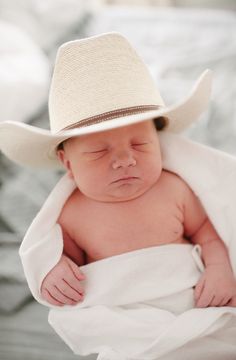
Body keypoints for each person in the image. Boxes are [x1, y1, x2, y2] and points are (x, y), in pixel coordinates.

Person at [0, 32, 235, 314]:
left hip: (191, 305)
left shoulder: (175, 188)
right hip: (123, 321)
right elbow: (61, 260)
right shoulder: (70, 214)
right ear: (68, 163)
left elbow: (208, 234)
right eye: (99, 152)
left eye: (140, 144)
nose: (125, 161)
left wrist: (220, 269)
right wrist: (54, 269)